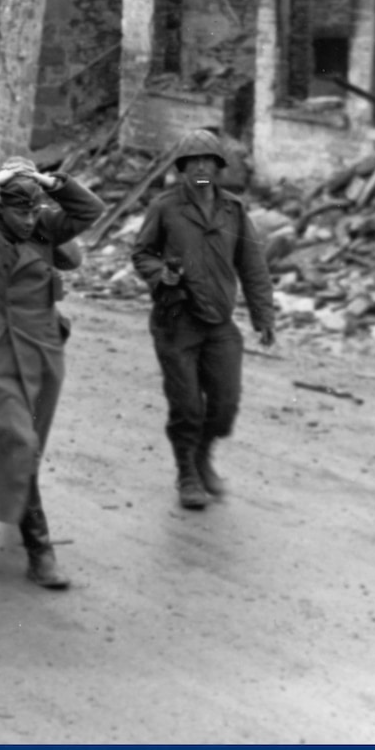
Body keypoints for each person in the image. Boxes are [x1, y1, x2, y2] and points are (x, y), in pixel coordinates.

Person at [0, 158, 103, 589]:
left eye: (34, 210)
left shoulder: (47, 228)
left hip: (42, 350)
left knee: (24, 444)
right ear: (0, 207)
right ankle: (40, 550)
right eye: (20, 211)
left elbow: (89, 210)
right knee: (18, 443)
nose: (29, 221)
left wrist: (49, 182)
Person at [130, 128, 276, 510]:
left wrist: (263, 315)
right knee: (187, 406)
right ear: (181, 168)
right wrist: (163, 274)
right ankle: (187, 474)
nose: (200, 168)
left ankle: (203, 454)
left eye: (207, 161)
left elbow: (253, 265)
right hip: (176, 322)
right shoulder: (165, 208)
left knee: (225, 405)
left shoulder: (234, 210)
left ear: (218, 167)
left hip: (220, 324)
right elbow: (142, 253)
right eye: (192, 162)